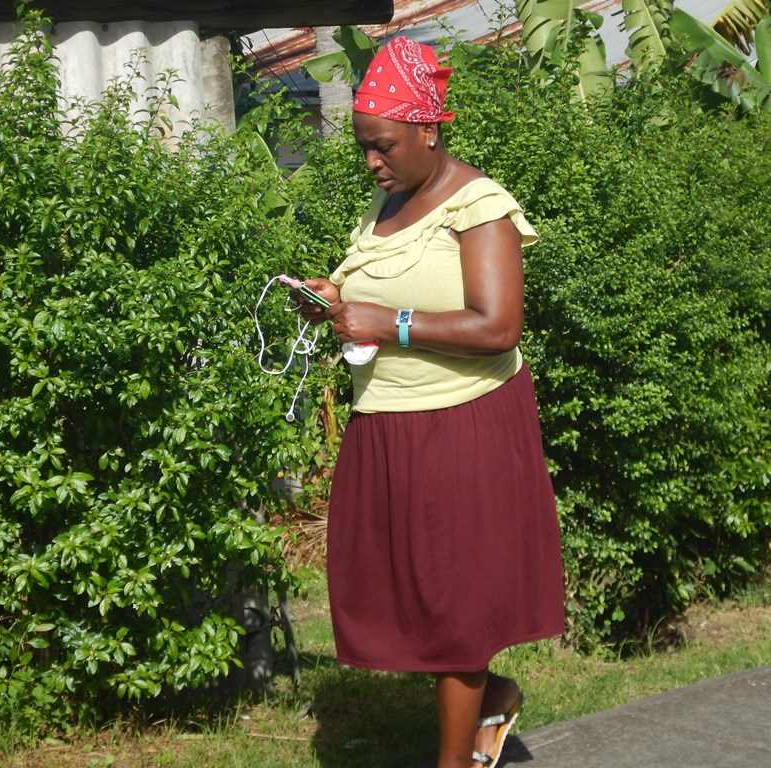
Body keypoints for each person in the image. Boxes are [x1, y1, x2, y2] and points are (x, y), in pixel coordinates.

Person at [297, 36, 565, 768]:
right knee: (405, 600)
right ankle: (493, 696)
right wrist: (337, 300)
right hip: (387, 426)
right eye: (363, 148)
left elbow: (497, 325)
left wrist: (392, 324)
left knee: (453, 608)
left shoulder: (479, 208)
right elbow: (384, 292)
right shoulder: (386, 203)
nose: (371, 162)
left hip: (462, 425)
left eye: (382, 146)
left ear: (428, 130)